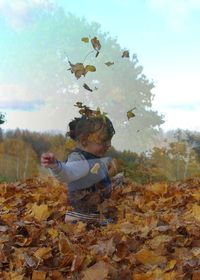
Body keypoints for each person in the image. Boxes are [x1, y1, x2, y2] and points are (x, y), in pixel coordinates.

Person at [41, 113, 120, 224]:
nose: (109, 144)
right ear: (84, 140)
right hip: (88, 206)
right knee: (107, 222)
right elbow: (68, 173)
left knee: (119, 180)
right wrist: (56, 166)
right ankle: (79, 218)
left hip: (99, 202)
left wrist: (110, 173)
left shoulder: (92, 158)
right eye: (104, 140)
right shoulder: (80, 159)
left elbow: (94, 175)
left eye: (109, 140)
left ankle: (93, 216)